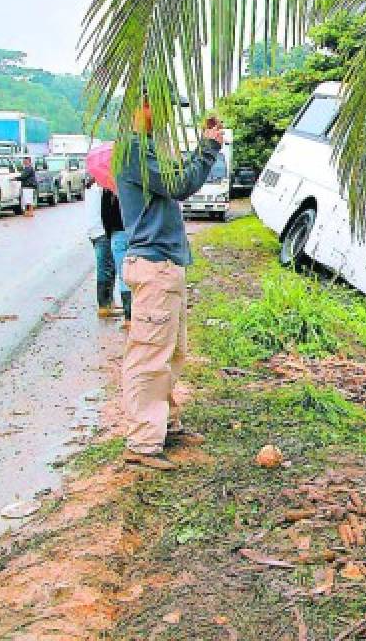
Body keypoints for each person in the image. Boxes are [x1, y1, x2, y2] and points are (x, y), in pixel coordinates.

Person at [117, 106, 223, 471]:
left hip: (165, 264)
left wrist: (201, 146)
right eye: (157, 106)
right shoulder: (133, 148)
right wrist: (208, 149)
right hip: (154, 264)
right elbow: (181, 184)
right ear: (139, 106)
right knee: (149, 355)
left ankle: (164, 425)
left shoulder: (145, 148)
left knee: (173, 352)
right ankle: (143, 442)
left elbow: (175, 179)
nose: (163, 116)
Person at [85, 181, 118, 317]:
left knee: (106, 267)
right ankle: (104, 305)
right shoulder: (100, 188)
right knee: (106, 268)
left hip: (94, 231)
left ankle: (108, 303)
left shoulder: (90, 188)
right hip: (102, 232)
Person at [105, 188, 132, 327]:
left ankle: (128, 318)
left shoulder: (108, 188)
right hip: (135, 233)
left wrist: (110, 235)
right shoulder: (133, 181)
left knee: (123, 276)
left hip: (117, 235)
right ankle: (139, 314)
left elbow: (105, 216)